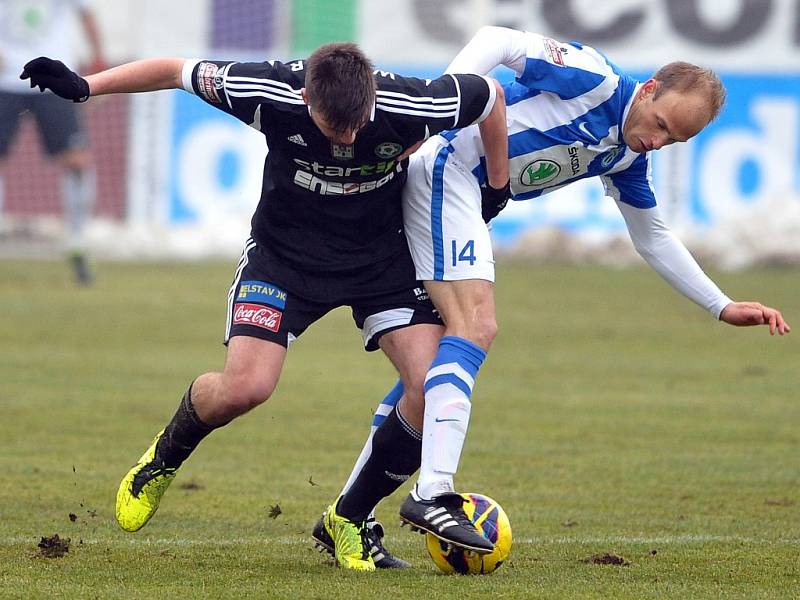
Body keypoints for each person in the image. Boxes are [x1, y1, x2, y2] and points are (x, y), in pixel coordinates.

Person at [21, 41, 508, 571]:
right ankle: (163, 457)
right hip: (283, 260)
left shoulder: (412, 100)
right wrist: (88, 87)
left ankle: (349, 518)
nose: (347, 139)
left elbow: (491, 97)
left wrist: (497, 187)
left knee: (428, 384)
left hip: (379, 262)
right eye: (332, 128)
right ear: (304, 98)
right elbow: (173, 70)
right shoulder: (266, 89)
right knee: (246, 388)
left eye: (356, 125)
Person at [312, 26, 791, 564]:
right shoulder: (595, 79)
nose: (657, 141)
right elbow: (497, 40)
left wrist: (720, 305)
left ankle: (347, 518)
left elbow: (652, 235)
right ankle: (433, 490)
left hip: (458, 195)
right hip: (446, 171)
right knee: (477, 326)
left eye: (674, 141)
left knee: (424, 373)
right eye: (660, 125)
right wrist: (439, 106)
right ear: (652, 88)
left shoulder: (628, 157)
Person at [0, 0, 106, 284]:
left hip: (54, 79)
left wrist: (98, 62)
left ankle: (77, 243)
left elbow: (86, 15)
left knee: (77, 161)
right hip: (5, 80)